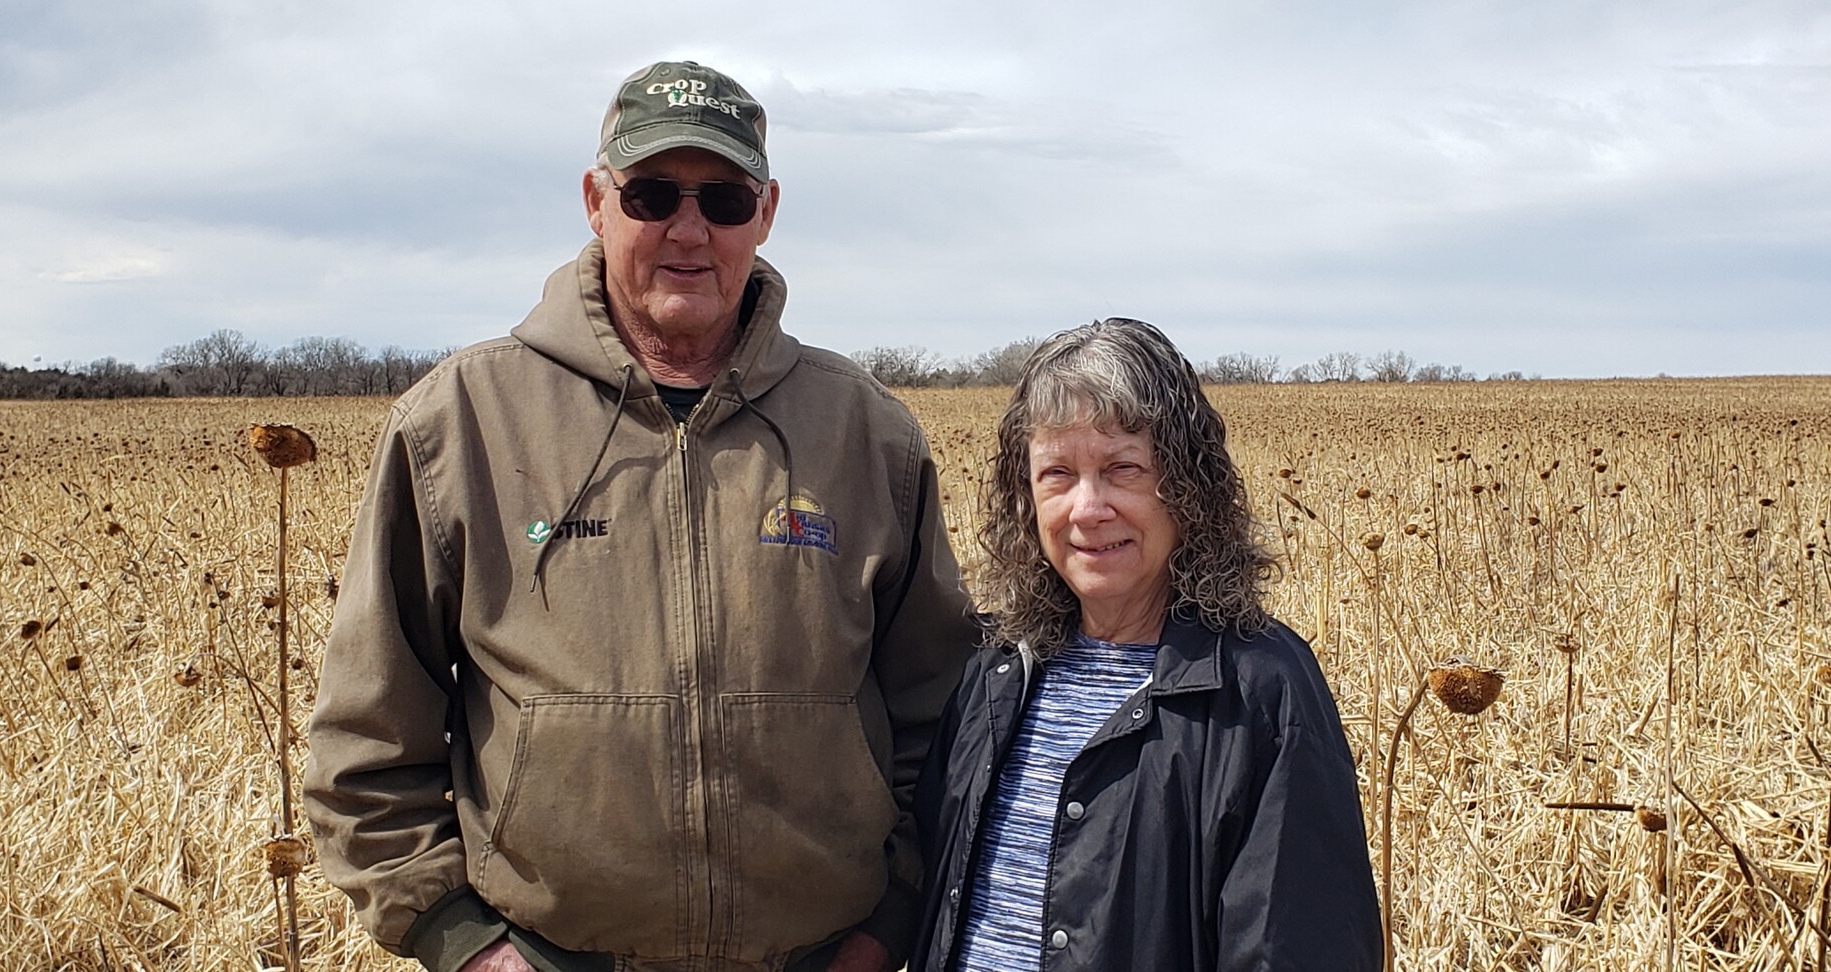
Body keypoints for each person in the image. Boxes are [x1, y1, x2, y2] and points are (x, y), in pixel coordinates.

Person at [304, 60, 975, 972]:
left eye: (725, 201)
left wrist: (886, 927)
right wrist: (462, 943)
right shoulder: (459, 423)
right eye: (653, 194)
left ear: (767, 211)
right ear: (596, 199)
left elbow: (945, 722)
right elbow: (368, 743)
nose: (689, 231)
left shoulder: (869, 434)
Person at [911, 319, 1382, 972]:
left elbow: (1296, 946)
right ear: (1026, 499)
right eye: (1057, 474)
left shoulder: (1259, 690)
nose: (1087, 507)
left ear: (1185, 489)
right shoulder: (996, 670)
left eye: (1121, 469)